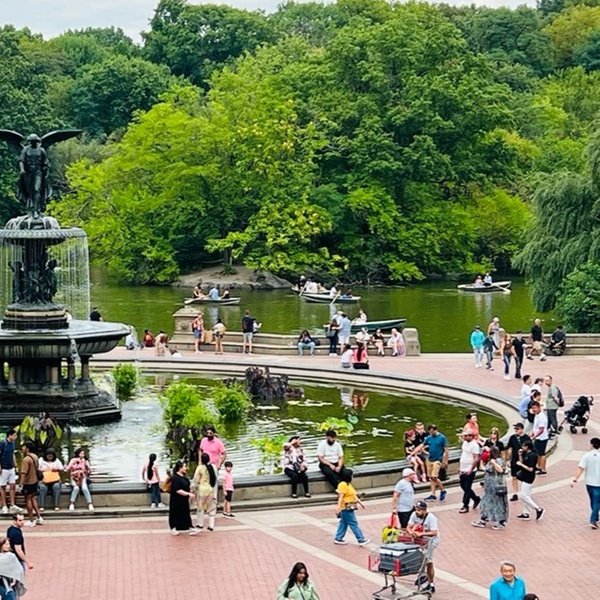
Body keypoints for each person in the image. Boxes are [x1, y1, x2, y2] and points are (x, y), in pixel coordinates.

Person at [406, 500, 440, 594]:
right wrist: (411, 532)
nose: (417, 512)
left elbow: (434, 532)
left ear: (424, 510)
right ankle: (425, 576)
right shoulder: (414, 515)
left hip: (431, 541)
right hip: (420, 541)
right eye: (416, 509)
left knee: (428, 560)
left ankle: (428, 580)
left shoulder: (431, 518)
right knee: (420, 557)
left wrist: (421, 534)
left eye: (419, 510)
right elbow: (408, 526)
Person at [471, 446, 508, 529]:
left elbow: (501, 470)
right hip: (489, 487)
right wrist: (481, 459)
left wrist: (494, 463)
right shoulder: (490, 461)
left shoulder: (498, 460)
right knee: (486, 502)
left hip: (496, 485)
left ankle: (500, 522)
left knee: (497, 503)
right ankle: (483, 519)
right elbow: (483, 468)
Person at [334, 469, 369, 546]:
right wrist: (338, 507)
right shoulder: (342, 484)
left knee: (343, 523)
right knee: (353, 523)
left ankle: (338, 538)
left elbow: (354, 495)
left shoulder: (348, 484)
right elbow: (341, 497)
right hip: (345, 507)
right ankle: (361, 539)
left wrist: (360, 503)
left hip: (350, 506)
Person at [571, 437, 600, 529]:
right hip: (598, 483)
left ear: (591, 445)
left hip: (589, 482)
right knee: (596, 501)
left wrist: (575, 479)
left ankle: (595, 517)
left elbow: (581, 468)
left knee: (593, 500)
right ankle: (594, 519)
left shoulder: (586, 456)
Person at [515, 438, 544, 521]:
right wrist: (520, 455)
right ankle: (526, 513)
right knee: (527, 495)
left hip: (528, 477)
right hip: (524, 476)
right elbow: (523, 462)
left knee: (523, 495)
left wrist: (521, 465)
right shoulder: (526, 454)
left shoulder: (533, 456)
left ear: (527, 447)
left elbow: (531, 469)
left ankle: (538, 508)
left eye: (523, 446)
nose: (522, 447)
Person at [420, 425, 449, 502]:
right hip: (430, 459)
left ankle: (442, 490)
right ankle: (433, 494)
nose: (431, 433)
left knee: (434, 477)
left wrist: (445, 461)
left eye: (432, 431)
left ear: (435, 430)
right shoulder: (429, 437)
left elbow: (446, 450)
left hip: (438, 459)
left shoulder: (442, 438)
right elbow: (422, 445)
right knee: (431, 478)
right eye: (429, 432)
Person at [168, 461, 198, 535]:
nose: (186, 468)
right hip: (176, 500)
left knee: (185, 513)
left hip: (184, 500)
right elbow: (177, 490)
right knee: (175, 513)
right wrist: (188, 494)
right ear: (180, 468)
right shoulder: (175, 478)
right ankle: (173, 528)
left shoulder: (184, 478)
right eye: (185, 467)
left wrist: (191, 491)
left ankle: (189, 526)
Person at [19, 442, 42, 527]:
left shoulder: (26, 459)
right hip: (35, 481)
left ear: (27, 449)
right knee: (32, 498)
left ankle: (31, 520)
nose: (22, 449)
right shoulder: (35, 456)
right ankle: (39, 517)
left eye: (24, 447)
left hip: (28, 482)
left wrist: (21, 484)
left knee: (28, 499)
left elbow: (23, 473)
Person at [193, 453, 218, 531]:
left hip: (202, 490)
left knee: (200, 507)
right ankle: (211, 525)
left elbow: (196, 479)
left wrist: (195, 488)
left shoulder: (199, 468)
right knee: (212, 507)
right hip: (210, 489)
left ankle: (200, 523)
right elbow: (216, 479)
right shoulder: (213, 467)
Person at [458, 430, 481, 514]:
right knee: (463, 486)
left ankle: (465, 505)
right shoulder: (465, 443)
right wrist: (460, 466)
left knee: (467, 487)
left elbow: (476, 458)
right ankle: (475, 498)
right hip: (463, 468)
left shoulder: (474, 445)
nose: (464, 437)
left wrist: (471, 469)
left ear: (471, 436)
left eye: (466, 436)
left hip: (470, 469)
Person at [506, 423, 529, 502]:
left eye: (517, 428)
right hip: (514, 459)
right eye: (515, 428)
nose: (516, 430)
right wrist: (508, 459)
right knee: (514, 476)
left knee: (524, 476)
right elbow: (510, 449)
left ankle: (524, 492)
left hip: (524, 460)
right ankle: (515, 493)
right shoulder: (512, 437)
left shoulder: (526, 438)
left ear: (522, 429)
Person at [0, 430, 21, 515]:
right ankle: (4, 505)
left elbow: (13, 454)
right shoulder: (3, 443)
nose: (15, 437)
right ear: (9, 435)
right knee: (3, 487)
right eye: (14, 435)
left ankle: (12, 505)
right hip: (4, 468)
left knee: (13, 486)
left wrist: (16, 465)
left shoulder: (12, 443)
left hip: (11, 467)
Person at [66, 447, 94, 511]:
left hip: (82, 477)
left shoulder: (85, 461)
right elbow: (68, 468)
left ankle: (90, 503)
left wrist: (88, 469)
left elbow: (89, 470)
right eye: (81, 453)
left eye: (83, 454)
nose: (82, 455)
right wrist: (74, 463)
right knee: (76, 488)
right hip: (74, 477)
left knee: (84, 488)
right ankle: (72, 503)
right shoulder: (73, 460)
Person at [0, 535, 26, 599]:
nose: (8, 546)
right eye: (6, 544)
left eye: (9, 544)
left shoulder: (11, 556)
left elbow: (19, 569)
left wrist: (15, 578)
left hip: (8, 584)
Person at [529, 401, 549, 475]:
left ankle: (543, 469)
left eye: (535, 408)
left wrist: (534, 436)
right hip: (539, 437)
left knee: (542, 453)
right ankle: (539, 467)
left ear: (539, 407)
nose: (533, 410)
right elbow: (536, 427)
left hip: (542, 438)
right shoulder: (537, 415)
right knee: (538, 453)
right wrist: (532, 432)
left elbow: (541, 429)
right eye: (532, 408)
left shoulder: (541, 417)